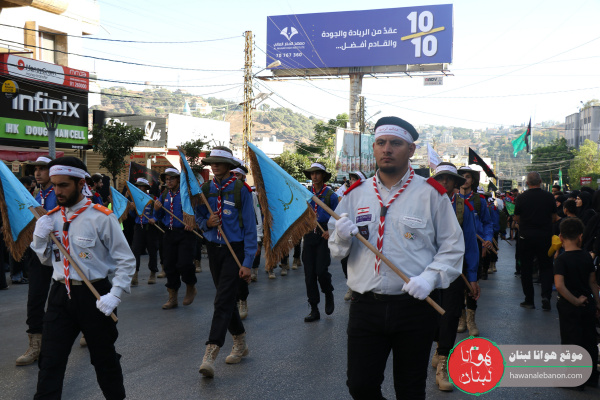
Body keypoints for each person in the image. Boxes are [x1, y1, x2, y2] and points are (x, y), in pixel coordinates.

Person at [328, 116, 464, 399]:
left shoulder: (431, 194)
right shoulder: (355, 195)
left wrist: (430, 278)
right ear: (374, 148)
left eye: (395, 143)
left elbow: (452, 246)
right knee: (360, 386)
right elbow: (337, 251)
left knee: (410, 389)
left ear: (411, 150)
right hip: (366, 307)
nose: (387, 149)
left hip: (414, 307)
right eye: (381, 142)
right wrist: (340, 236)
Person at [30, 156, 135, 399]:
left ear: (80, 183)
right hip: (60, 294)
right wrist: (39, 237)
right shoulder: (51, 218)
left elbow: (126, 260)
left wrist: (115, 294)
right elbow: (47, 260)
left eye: (64, 185)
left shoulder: (101, 217)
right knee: (50, 361)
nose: (58, 191)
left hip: (95, 295)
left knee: (104, 359)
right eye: (55, 185)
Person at [195, 147, 257, 378]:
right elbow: (198, 216)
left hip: (235, 251)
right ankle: (240, 342)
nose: (214, 165)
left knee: (221, 301)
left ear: (229, 166)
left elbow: (250, 228)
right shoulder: (205, 189)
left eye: (219, 162)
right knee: (227, 299)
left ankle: (211, 352)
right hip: (214, 250)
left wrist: (247, 262)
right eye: (212, 162)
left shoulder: (241, 190)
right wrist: (207, 223)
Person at [430, 162, 480, 391]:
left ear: (455, 183)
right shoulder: (422, 203)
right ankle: (438, 344)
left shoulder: (463, 208)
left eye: (449, 178)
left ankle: (443, 364)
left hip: (453, 271)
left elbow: (470, 242)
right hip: (427, 270)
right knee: (430, 315)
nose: (444, 182)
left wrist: (472, 276)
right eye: (440, 178)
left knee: (450, 315)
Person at [15, 155, 56, 366]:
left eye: (42, 169)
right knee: (35, 299)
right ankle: (35, 346)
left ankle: (87, 329)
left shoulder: (60, 192)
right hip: (38, 253)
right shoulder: (36, 195)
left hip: (60, 253)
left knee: (71, 297)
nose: (38, 173)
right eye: (35, 169)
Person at [554, 218, 600, 388]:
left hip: (569, 306)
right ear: (580, 237)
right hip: (588, 303)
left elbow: (560, 285)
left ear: (561, 237)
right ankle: (592, 377)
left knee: (571, 341)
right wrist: (598, 303)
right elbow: (593, 282)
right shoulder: (586, 256)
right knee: (589, 339)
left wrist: (575, 301)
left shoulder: (562, 260)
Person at [154, 168, 197, 309]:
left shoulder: (186, 194)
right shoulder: (164, 194)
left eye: (171, 178)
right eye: (167, 179)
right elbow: (159, 217)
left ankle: (190, 286)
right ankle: (172, 297)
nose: (169, 181)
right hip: (169, 233)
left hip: (185, 233)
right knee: (169, 266)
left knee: (184, 264)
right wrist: (156, 209)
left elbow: (196, 211)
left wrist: (192, 223)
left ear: (178, 179)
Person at [514, 172, 557, 310]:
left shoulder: (521, 197)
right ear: (541, 181)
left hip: (526, 237)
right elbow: (554, 217)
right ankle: (546, 297)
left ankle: (529, 300)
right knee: (546, 267)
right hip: (545, 236)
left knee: (526, 268)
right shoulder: (549, 196)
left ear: (527, 183)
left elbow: (516, 218)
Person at [302, 162, 338, 322]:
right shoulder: (305, 194)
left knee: (321, 271)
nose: (314, 176)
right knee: (309, 274)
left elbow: (338, 217)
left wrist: (331, 230)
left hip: (324, 235)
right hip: (309, 234)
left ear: (323, 175)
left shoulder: (331, 196)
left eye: (317, 173)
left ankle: (328, 292)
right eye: (312, 173)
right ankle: (314, 308)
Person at [231, 163, 263, 319]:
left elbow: (256, 218)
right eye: (232, 174)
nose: (234, 177)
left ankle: (242, 300)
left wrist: (257, 239)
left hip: (244, 239)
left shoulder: (250, 193)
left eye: (237, 175)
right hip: (229, 240)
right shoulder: (226, 191)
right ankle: (233, 302)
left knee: (241, 273)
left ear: (243, 176)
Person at [340, 171, 367, 302]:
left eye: (354, 179)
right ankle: (351, 284)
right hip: (350, 234)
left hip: (364, 235)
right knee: (345, 260)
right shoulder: (347, 195)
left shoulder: (369, 195)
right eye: (350, 179)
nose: (351, 181)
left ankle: (359, 288)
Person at [129, 178, 159, 286]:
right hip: (138, 226)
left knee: (152, 250)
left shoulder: (153, 199)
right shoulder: (134, 200)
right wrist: (132, 209)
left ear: (146, 188)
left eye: (141, 186)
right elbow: (133, 216)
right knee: (135, 250)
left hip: (150, 227)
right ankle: (135, 274)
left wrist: (154, 218)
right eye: (138, 186)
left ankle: (153, 273)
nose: (139, 188)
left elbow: (159, 213)